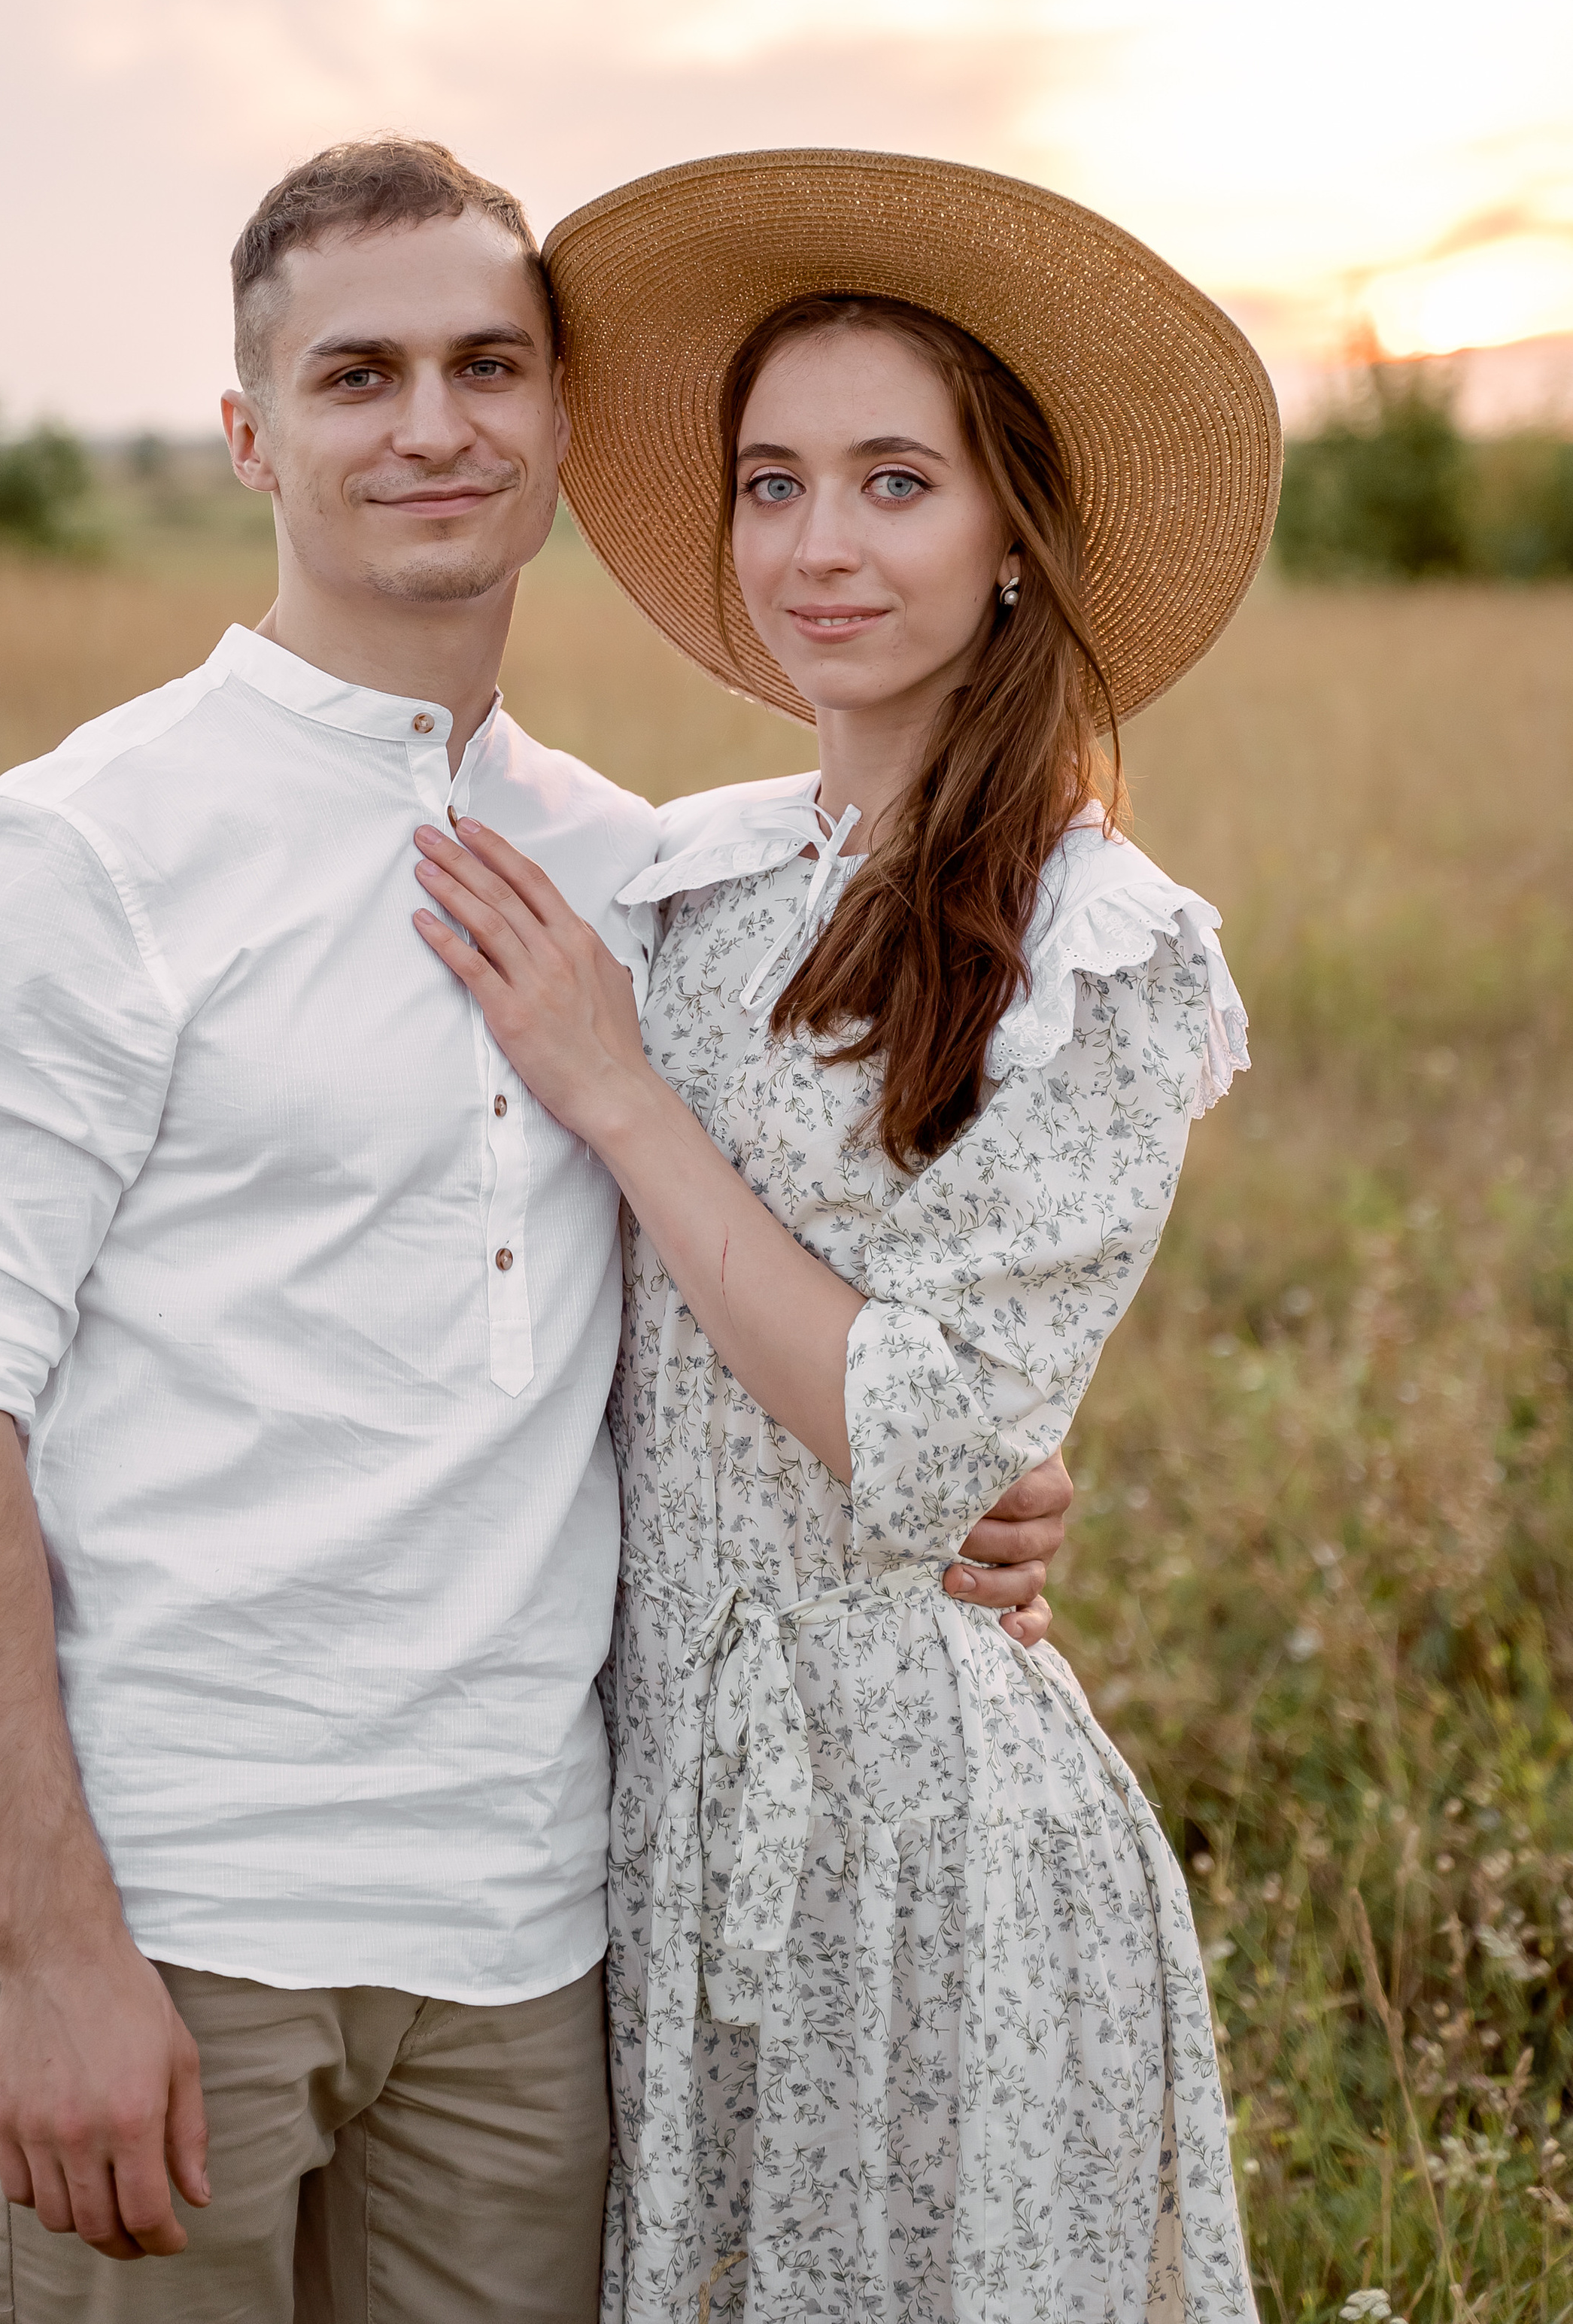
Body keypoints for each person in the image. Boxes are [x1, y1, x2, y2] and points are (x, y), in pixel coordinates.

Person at [0, 136, 1070, 2324]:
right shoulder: (76, 851)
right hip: (180, 1906)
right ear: (250, 434)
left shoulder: (640, 876)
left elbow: (747, 1298)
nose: (434, 425)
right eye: (358, 374)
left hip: (535, 1925)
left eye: (489, 365)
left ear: (563, 421)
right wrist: (54, 1948)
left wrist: (974, 1475)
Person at [408, 149, 1280, 2321]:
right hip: (650, 1807)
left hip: (923, 1845)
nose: (820, 546)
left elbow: (922, 1439)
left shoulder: (1101, 950)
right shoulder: (684, 884)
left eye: (897, 484)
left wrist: (621, 1095)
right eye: (773, 484)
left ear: (1010, 538)